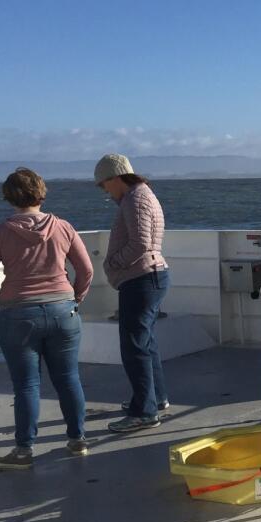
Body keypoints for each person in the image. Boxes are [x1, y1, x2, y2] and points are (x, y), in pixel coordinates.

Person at [0, 168, 93, 470]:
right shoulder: (63, 227)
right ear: (41, 193)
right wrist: (74, 299)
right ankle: (77, 440)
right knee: (68, 378)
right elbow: (87, 269)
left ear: (9, 197)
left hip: (17, 315)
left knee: (26, 385)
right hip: (62, 310)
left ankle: (24, 450)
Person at [94, 153, 172, 433]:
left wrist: (111, 263)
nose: (105, 191)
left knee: (134, 346)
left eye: (104, 185)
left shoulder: (135, 199)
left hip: (141, 279)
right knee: (145, 343)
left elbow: (141, 244)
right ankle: (155, 399)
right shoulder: (141, 195)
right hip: (149, 277)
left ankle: (144, 412)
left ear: (115, 178)